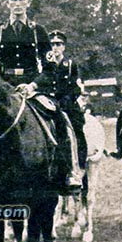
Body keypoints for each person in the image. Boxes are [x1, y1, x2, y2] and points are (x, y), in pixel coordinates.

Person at [0, 0, 81, 194]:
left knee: (60, 117)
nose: (17, 4)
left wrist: (33, 85)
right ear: (7, 4)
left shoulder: (38, 32)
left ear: (29, 3)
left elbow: (50, 67)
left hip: (33, 89)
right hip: (5, 90)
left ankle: (69, 171)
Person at [42, 30, 87, 170]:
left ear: (64, 47)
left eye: (59, 44)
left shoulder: (71, 65)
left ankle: (79, 164)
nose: (55, 47)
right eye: (52, 44)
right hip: (48, 102)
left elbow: (76, 87)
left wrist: (67, 99)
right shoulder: (44, 64)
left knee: (76, 129)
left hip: (66, 104)